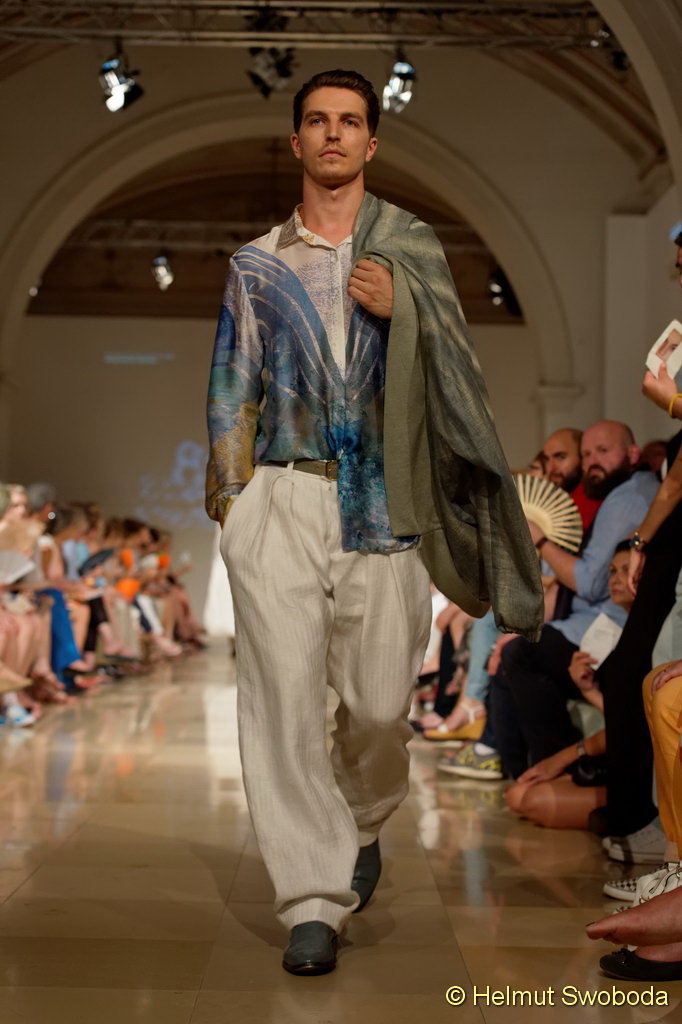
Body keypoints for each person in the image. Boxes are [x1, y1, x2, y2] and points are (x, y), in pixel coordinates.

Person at [205, 68, 543, 975]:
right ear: (296, 141)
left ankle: (360, 821)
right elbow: (232, 388)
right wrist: (234, 509)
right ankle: (312, 899)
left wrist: (410, 314)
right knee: (282, 704)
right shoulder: (255, 263)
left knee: (382, 707)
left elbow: (460, 372)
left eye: (349, 121)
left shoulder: (412, 247)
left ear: (371, 141)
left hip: (386, 502)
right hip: (282, 494)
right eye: (317, 121)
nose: (333, 134)